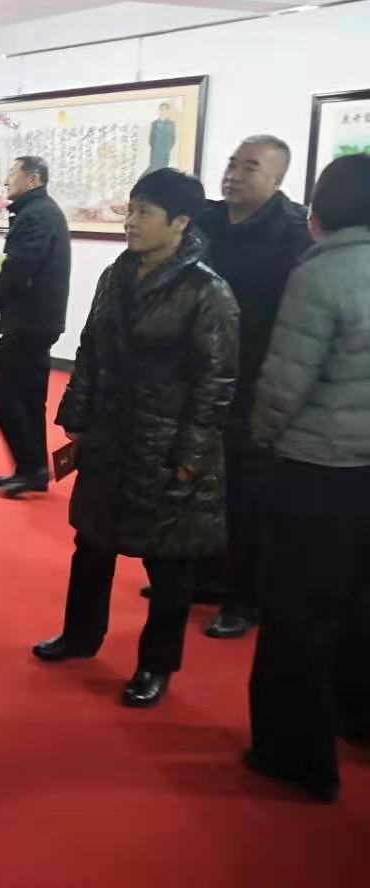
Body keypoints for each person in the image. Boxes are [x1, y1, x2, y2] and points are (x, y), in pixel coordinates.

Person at [33, 169, 237, 709]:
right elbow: (90, 349)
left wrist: (192, 456)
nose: (130, 222)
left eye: (144, 212)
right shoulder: (116, 275)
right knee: (92, 544)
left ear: (180, 222)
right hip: (111, 434)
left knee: (168, 564)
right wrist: (76, 415)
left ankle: (156, 664)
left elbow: (217, 381)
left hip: (166, 443)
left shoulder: (207, 291)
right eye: (130, 209)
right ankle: (80, 635)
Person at [245, 153, 370, 804]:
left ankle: (296, 755)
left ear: (324, 208)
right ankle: (359, 718)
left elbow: (284, 385)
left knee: (300, 613)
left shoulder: (323, 273)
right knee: (360, 603)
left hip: (321, 467)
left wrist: (262, 440)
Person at [193, 135, 313, 638]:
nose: (233, 175)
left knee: (248, 494)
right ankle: (205, 576)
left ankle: (244, 597)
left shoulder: (294, 236)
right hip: (201, 375)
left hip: (257, 381)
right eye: (231, 163)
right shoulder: (206, 222)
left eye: (249, 167)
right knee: (201, 481)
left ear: (277, 179)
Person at [0, 155, 71, 496]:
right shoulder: (41, 211)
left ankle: (31, 467)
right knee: (29, 397)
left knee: (1, 393)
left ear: (33, 179)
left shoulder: (36, 215)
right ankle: (32, 468)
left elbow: (21, 266)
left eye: (11, 174)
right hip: (40, 319)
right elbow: (17, 264)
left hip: (29, 321)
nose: (6, 181)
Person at [149, 102, 177, 171]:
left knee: (163, 169)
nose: (162, 111)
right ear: (159, 110)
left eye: (164, 109)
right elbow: (151, 138)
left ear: (167, 111)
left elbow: (173, 138)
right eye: (161, 109)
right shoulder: (154, 123)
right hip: (155, 151)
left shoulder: (171, 124)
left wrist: (167, 148)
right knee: (154, 168)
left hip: (165, 151)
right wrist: (154, 147)